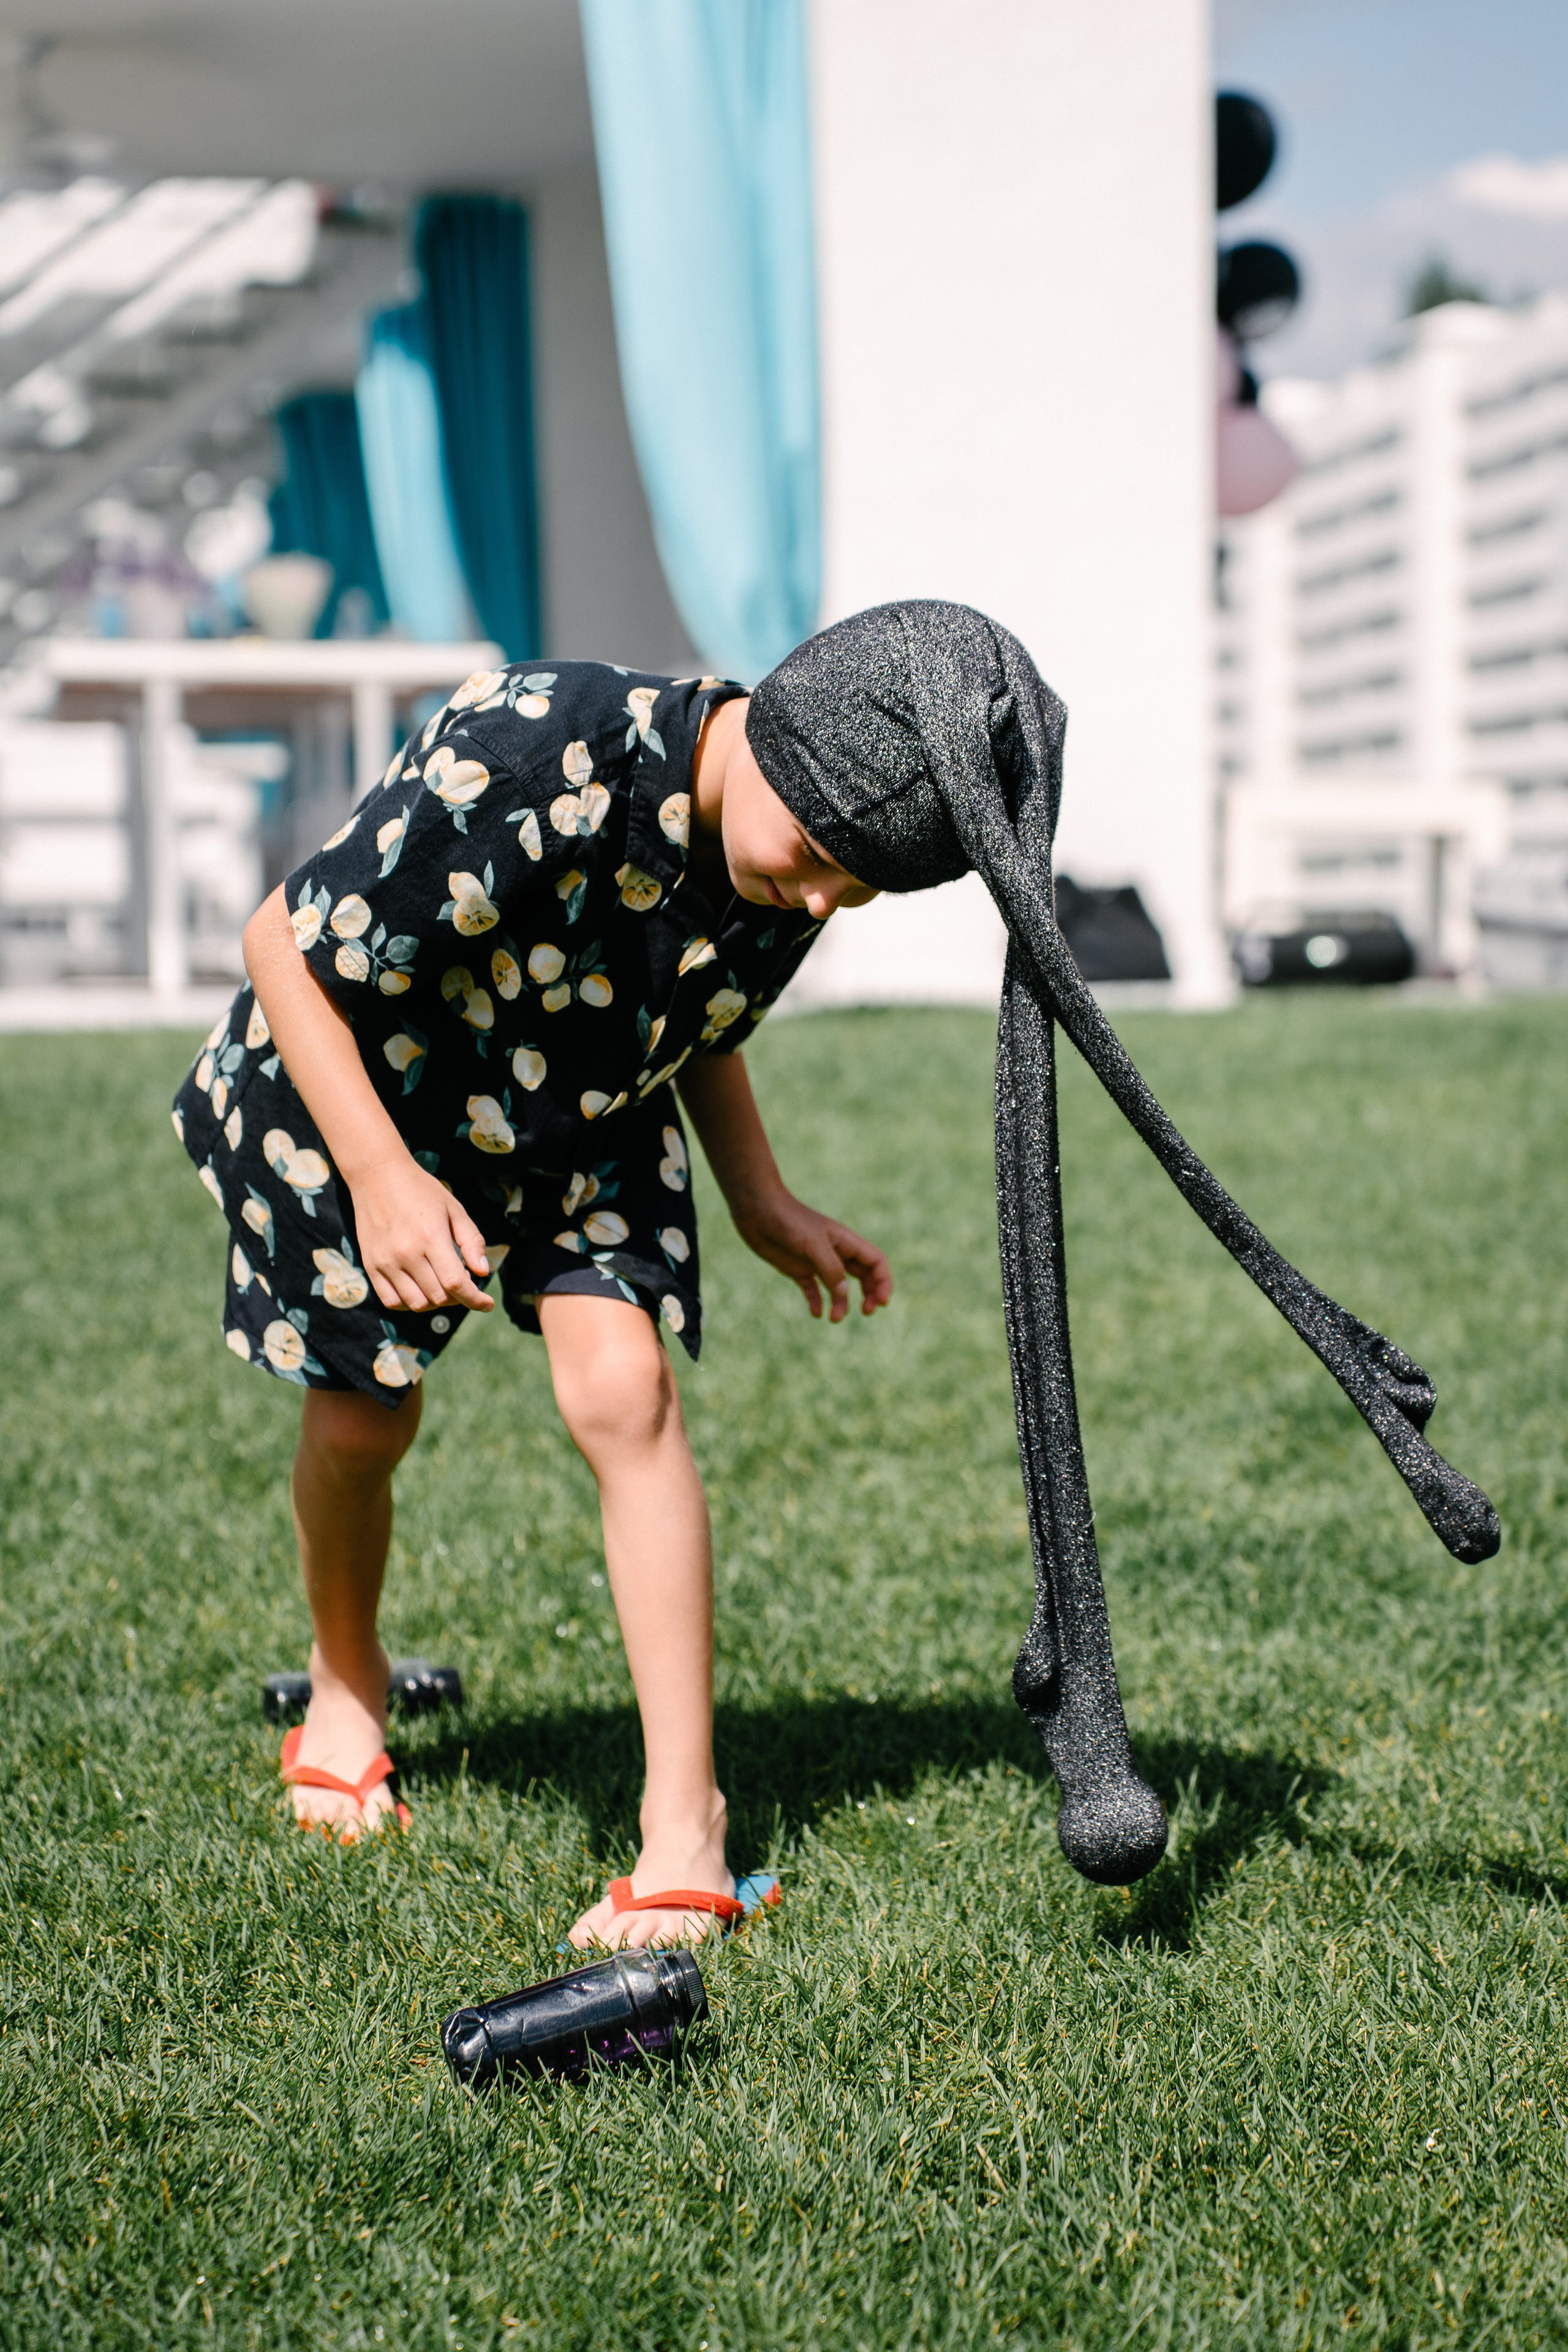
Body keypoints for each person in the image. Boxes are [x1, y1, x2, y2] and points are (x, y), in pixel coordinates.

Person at [174, 660, 889, 1951]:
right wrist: (381, 1181)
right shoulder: (526, 753)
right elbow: (281, 941)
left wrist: (759, 1196)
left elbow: (700, 1011)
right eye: (822, 860)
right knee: (364, 1423)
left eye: (860, 886)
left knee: (627, 1391)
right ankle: (345, 1684)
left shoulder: (799, 853)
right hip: (372, 1086)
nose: (825, 899)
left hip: (582, 1099)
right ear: (774, 746)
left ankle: (686, 1827)